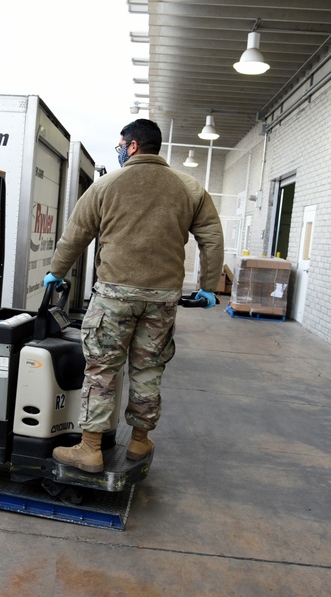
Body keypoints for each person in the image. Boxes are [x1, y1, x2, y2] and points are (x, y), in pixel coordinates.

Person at [43, 118, 224, 473]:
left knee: (102, 367)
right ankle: (139, 441)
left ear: (134, 146)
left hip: (114, 294)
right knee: (148, 368)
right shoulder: (190, 189)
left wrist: (57, 272)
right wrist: (208, 286)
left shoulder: (106, 185)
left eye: (122, 144)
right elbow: (212, 239)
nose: (121, 150)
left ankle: (90, 448)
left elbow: (75, 234)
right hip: (162, 297)